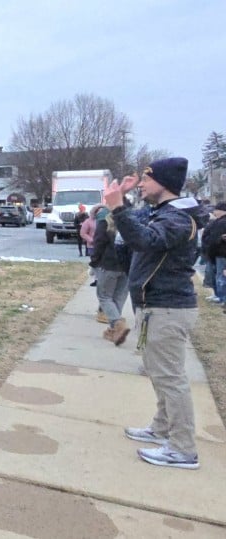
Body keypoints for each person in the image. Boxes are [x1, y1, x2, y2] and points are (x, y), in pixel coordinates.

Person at [106, 157, 208, 470]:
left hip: (167, 307)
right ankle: (162, 428)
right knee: (159, 373)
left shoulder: (177, 219)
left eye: (147, 180)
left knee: (170, 378)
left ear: (163, 183)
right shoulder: (162, 213)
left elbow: (145, 240)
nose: (142, 184)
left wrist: (119, 208)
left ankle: (182, 448)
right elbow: (133, 234)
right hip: (155, 306)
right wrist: (118, 204)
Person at [91, 206, 130, 345]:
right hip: (127, 266)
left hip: (109, 264)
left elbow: (99, 243)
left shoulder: (105, 221)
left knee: (104, 296)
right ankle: (115, 330)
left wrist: (94, 262)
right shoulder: (131, 222)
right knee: (118, 298)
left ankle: (117, 324)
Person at [200, 202, 226, 304]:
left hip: (221, 253)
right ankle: (218, 296)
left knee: (221, 276)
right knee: (216, 275)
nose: (214, 211)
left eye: (216, 210)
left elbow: (215, 239)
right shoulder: (217, 221)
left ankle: (222, 298)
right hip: (215, 253)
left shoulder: (222, 222)